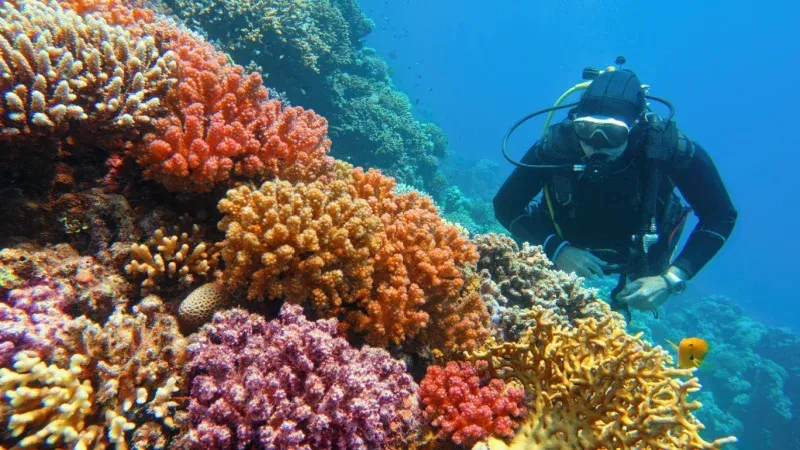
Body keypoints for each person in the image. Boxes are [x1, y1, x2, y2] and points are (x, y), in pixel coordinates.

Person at [493, 69, 737, 318]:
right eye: (585, 129)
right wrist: (557, 249)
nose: (596, 144)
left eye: (613, 133)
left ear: (635, 127)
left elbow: (720, 215)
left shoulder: (666, 147)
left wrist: (671, 279)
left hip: (640, 254)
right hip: (563, 240)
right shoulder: (558, 146)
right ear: (574, 121)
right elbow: (505, 205)